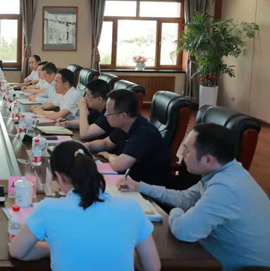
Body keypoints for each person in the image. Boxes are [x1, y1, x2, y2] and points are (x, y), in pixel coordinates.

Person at [118, 123, 270, 270]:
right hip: (218, 253)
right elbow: (185, 198)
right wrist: (139, 186)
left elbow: (184, 231)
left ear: (208, 160)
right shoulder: (227, 171)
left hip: (241, 267)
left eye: (187, 150)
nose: (182, 154)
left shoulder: (224, 188)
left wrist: (176, 211)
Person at [9, 141, 160, 271]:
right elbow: (152, 267)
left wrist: (53, 247)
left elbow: (17, 251)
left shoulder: (48, 208)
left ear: (59, 177)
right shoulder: (131, 208)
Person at [85, 89, 171, 186]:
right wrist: (85, 146)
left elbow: (119, 165)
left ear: (123, 116)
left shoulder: (144, 133)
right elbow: (105, 143)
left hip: (146, 187)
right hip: (130, 180)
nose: (105, 115)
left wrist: (109, 156)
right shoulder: (125, 125)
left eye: (108, 112)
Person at [59, 79, 128, 145]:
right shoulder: (97, 109)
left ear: (99, 99)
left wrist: (82, 108)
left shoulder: (108, 114)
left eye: (88, 96)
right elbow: (85, 122)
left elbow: (84, 134)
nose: (84, 98)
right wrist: (67, 123)